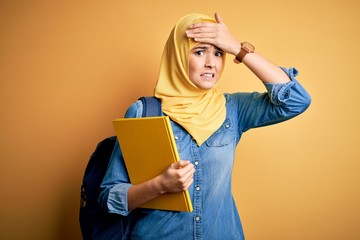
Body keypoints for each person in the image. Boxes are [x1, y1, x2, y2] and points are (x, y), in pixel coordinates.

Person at [98, 12, 311, 239]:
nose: (211, 63)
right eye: (200, 52)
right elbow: (109, 197)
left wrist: (237, 48)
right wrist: (160, 185)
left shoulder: (233, 109)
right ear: (178, 56)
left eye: (218, 53)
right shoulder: (144, 113)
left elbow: (296, 100)